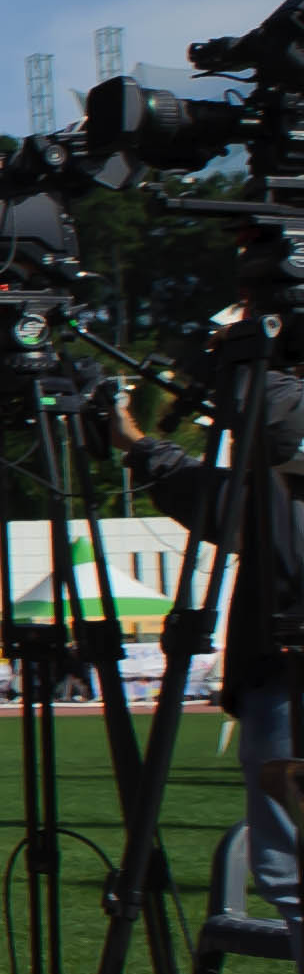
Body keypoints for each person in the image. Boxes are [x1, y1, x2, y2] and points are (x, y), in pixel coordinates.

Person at [116, 379, 304, 924]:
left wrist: (140, 446)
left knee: (291, 871)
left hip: (285, 676)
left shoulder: (278, 449)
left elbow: (236, 499)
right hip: (278, 672)